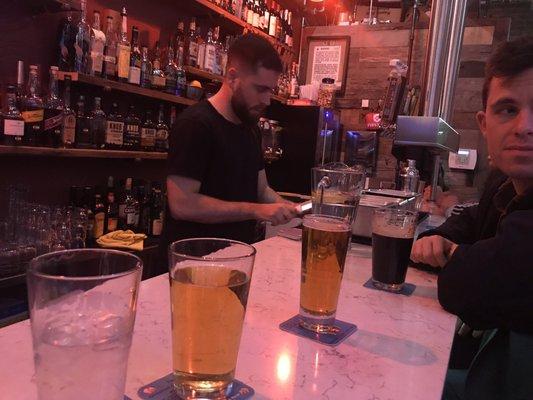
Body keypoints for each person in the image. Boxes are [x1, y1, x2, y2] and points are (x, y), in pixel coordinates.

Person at [411, 36, 533, 399]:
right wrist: (441, 240)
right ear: (484, 123)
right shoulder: (505, 186)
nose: (525, 126)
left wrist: (451, 255)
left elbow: (468, 284)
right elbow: (469, 220)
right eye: (507, 109)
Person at [160, 34, 297, 260]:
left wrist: (285, 206)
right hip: (191, 265)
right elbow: (182, 204)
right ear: (233, 77)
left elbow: (261, 190)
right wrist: (256, 210)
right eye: (261, 89)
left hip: (235, 261)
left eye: (270, 90)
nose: (267, 101)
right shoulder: (196, 124)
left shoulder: (250, 127)